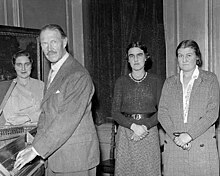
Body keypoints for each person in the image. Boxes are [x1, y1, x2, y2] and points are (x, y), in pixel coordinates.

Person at [14, 24, 100, 176]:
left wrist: (36, 149)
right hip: (55, 156)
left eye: (53, 42)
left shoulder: (77, 75)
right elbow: (46, 114)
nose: (49, 48)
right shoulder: (54, 71)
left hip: (75, 160)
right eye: (44, 44)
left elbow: (66, 119)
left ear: (64, 42)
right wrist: (34, 145)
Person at [158, 39, 219, 176]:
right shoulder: (169, 83)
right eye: (180, 55)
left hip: (201, 146)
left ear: (197, 57)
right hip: (175, 147)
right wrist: (177, 138)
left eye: (189, 55)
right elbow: (162, 113)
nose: (184, 59)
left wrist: (189, 136)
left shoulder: (210, 79)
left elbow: (212, 113)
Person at [111, 41, 163, 176]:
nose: (135, 59)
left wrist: (145, 126)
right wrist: (133, 126)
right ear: (127, 60)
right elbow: (115, 112)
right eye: (131, 56)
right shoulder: (121, 82)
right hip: (127, 133)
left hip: (149, 132)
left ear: (146, 57)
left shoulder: (156, 81)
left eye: (139, 55)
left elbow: (162, 110)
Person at [0, 50, 44, 126]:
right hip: (16, 133)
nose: (23, 69)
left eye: (27, 64)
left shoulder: (40, 85)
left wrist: (27, 117)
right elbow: (11, 119)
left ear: (31, 65)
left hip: (40, 130)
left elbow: (47, 111)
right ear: (14, 66)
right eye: (19, 65)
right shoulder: (8, 87)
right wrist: (36, 115)